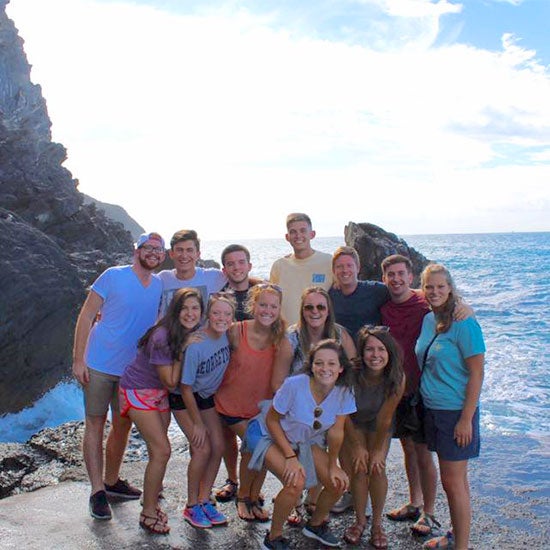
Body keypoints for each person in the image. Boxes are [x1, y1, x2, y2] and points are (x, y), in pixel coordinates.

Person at [72, 232, 165, 520]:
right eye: (147, 248)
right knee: (95, 424)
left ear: (162, 255)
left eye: (157, 250)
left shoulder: (160, 284)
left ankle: (112, 482)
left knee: (122, 426)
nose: (152, 253)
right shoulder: (113, 275)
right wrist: (78, 360)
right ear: (136, 250)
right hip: (98, 364)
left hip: (132, 372)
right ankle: (97, 491)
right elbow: (87, 315)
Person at [245, 339, 356, 550]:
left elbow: (336, 432)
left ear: (341, 367)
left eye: (332, 364)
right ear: (311, 365)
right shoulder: (295, 384)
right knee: (295, 482)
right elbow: (272, 420)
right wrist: (290, 457)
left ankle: (315, 525)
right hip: (269, 433)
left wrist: (333, 465)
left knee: (338, 482)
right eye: (319, 363)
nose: (325, 369)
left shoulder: (344, 391)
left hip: (304, 439)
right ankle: (274, 538)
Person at [118, 288, 204, 534]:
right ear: (174, 311)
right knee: (162, 451)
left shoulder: (189, 332)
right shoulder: (163, 336)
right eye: (184, 308)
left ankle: (151, 500)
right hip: (138, 389)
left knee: (157, 452)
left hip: (158, 394)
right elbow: (170, 381)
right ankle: (147, 513)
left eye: (195, 308)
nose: (190, 313)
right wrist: (182, 348)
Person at [271, 286, 356, 526]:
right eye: (309, 307)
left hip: (327, 409)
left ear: (328, 310)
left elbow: (350, 371)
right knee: (298, 465)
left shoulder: (340, 335)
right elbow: (277, 382)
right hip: (294, 410)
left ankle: (313, 500)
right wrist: (300, 401)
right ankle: (295, 502)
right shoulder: (291, 338)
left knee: (324, 448)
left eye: (320, 307)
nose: (315, 311)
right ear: (302, 310)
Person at [416, 264, 485, 550]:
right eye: (429, 287)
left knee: (453, 483)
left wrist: (466, 419)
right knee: (456, 481)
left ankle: (462, 546)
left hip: (455, 411)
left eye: (440, 287)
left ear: (451, 288)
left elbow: (477, 373)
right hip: (431, 408)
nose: (434, 292)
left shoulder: (465, 322)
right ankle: (457, 536)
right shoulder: (428, 320)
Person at [214, 283, 286, 522]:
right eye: (262, 305)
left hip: (261, 410)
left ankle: (254, 497)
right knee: (255, 446)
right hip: (230, 406)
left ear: (279, 309)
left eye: (273, 306)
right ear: (253, 306)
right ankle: (243, 497)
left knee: (262, 446)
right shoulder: (236, 331)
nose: (267, 310)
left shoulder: (281, 338)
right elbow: (209, 344)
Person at [381, 255, 439, 535]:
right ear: (384, 279)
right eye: (391, 274)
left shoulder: (425, 303)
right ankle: (414, 502)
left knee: (423, 452)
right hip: (397, 389)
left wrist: (466, 308)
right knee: (407, 448)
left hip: (423, 389)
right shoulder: (384, 307)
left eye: (401, 274)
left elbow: (453, 306)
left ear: (411, 277)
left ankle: (429, 513)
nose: (396, 279)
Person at [170, 293, 235, 529]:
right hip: (184, 399)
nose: (221, 318)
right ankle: (191, 505)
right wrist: (197, 424)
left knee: (218, 446)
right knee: (202, 448)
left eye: (227, 314)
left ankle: (204, 498)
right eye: (216, 313)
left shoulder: (228, 336)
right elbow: (185, 388)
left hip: (206, 397)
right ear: (207, 315)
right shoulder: (197, 344)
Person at [343, 326, 405, 548]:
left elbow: (385, 419)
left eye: (381, 349)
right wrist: (358, 446)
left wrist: (378, 450)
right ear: (361, 352)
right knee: (359, 467)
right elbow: (345, 413)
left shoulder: (397, 377)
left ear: (389, 352)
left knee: (377, 467)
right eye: (369, 349)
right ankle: (360, 520)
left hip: (380, 424)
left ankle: (377, 524)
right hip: (354, 420)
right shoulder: (351, 373)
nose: (375, 355)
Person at [214, 244, 260, 503]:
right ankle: (232, 480)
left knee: (253, 432)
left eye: (241, 262)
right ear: (224, 269)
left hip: (256, 372)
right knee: (226, 431)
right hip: (225, 372)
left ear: (249, 265)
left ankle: (252, 485)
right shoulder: (218, 296)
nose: (236, 267)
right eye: (230, 264)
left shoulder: (261, 292)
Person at [270, 213, 332, 325]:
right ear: (287, 237)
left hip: (320, 335)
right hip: (287, 336)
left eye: (303, 230)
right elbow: (272, 302)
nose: (298, 235)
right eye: (293, 232)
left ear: (312, 234)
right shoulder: (279, 266)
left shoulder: (328, 261)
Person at [158, 229, 226, 317]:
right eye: (179, 250)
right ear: (171, 254)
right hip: (169, 330)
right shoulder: (162, 279)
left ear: (198, 255)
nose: (184, 255)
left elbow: (239, 278)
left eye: (189, 250)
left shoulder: (213, 277)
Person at [329, 246, 389, 341]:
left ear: (358, 268)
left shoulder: (375, 290)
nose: (345, 270)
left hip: (370, 351)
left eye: (349, 265)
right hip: (341, 352)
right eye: (339, 266)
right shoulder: (330, 295)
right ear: (333, 270)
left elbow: (401, 292)